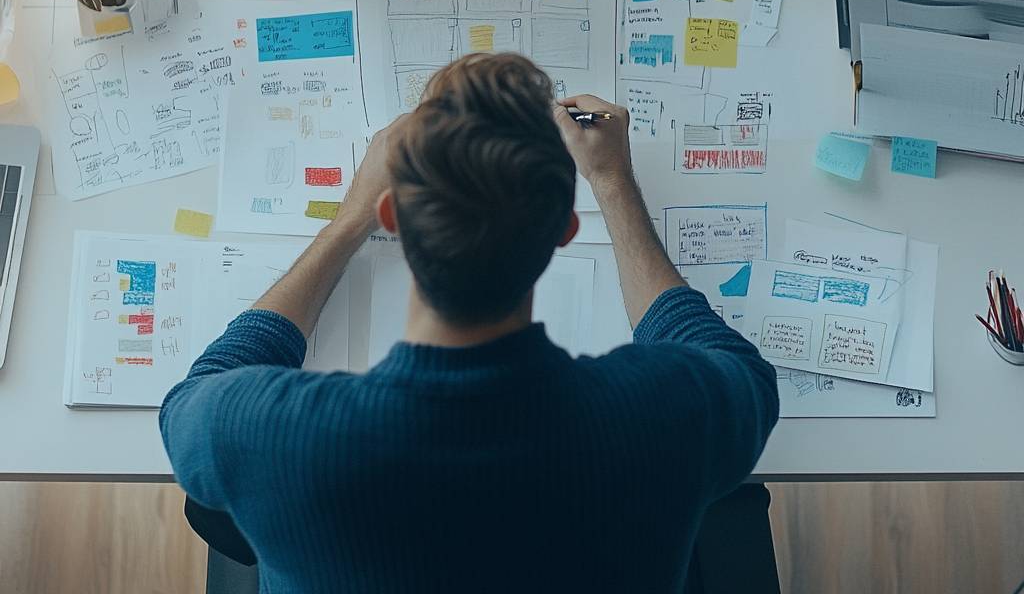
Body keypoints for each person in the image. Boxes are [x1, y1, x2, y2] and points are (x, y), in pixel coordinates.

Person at [160, 52, 780, 593]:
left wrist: (349, 219)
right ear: (564, 231)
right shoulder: (661, 419)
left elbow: (199, 390)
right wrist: (613, 181)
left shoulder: (271, 437)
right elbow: (740, 371)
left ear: (395, 219)